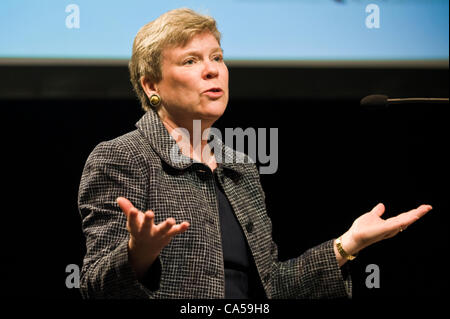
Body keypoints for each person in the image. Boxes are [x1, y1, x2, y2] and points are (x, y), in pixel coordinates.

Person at [78, 8, 432, 299]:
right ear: (151, 85)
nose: (212, 69)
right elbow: (95, 285)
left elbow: (271, 287)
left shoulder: (240, 167)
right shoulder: (123, 157)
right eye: (190, 61)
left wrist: (346, 244)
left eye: (217, 57)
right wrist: (138, 253)